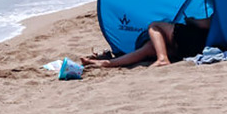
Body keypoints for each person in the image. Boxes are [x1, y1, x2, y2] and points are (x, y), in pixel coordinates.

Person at [81, 16, 211, 69]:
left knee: (155, 26)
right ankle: (106, 63)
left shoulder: (222, 8)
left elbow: (205, 24)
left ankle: (162, 58)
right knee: (149, 47)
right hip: (197, 47)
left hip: (195, 40)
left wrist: (191, 20)